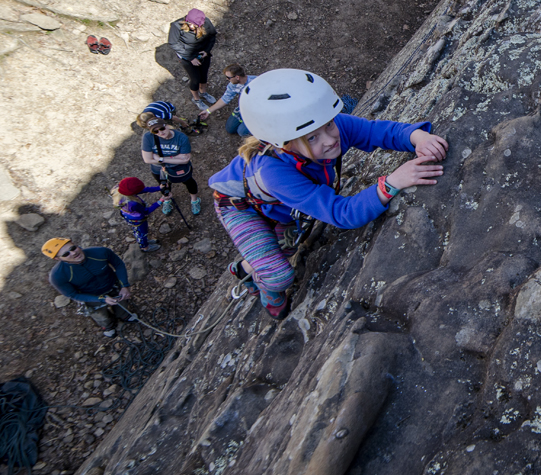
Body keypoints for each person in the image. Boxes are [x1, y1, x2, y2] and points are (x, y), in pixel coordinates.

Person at [208, 68, 448, 319]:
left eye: (330, 125)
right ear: (285, 144)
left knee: (286, 247)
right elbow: (340, 213)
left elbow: (375, 131)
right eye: (312, 138)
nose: (330, 139)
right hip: (239, 206)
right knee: (278, 274)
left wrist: (416, 136)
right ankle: (265, 290)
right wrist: (391, 183)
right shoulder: (273, 171)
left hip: (276, 202)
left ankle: (245, 266)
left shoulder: (320, 124)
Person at [43, 238, 135, 337]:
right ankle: (108, 326)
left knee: (122, 303)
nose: (73, 253)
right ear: (57, 258)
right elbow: (73, 294)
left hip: (112, 284)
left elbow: (118, 264)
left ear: (75, 244)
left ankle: (123, 315)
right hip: (90, 295)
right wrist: (101, 299)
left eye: (73, 248)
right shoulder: (58, 275)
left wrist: (124, 286)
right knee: (101, 315)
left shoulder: (100, 252)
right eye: (66, 254)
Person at [141, 117, 202, 216]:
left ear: (167, 125)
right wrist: (175, 157)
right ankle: (167, 199)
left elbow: (185, 159)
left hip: (178, 167)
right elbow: (147, 159)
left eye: (162, 128)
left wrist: (160, 159)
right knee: (164, 185)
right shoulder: (148, 137)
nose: (160, 133)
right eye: (156, 131)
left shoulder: (181, 137)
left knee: (188, 181)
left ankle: (194, 200)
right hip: (159, 169)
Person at [167, 8, 218, 112]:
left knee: (204, 75)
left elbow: (212, 36)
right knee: (195, 79)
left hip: (202, 53)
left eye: (194, 25)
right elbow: (173, 43)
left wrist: (207, 51)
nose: (191, 26)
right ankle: (196, 99)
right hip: (187, 56)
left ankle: (203, 93)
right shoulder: (176, 26)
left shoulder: (206, 22)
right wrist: (190, 58)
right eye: (189, 23)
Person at [199, 63, 256, 136]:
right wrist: (208, 111)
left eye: (228, 77)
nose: (227, 79)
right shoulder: (233, 85)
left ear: (237, 77)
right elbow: (225, 99)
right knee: (230, 128)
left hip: (256, 112)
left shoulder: (256, 82)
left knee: (242, 132)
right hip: (243, 109)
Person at [112, 177, 163, 253]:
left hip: (128, 216)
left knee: (139, 232)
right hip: (138, 220)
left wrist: (159, 188)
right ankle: (145, 247)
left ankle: (145, 241)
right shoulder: (133, 204)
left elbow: (141, 190)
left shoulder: (119, 189)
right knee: (142, 233)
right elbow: (146, 211)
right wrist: (161, 200)